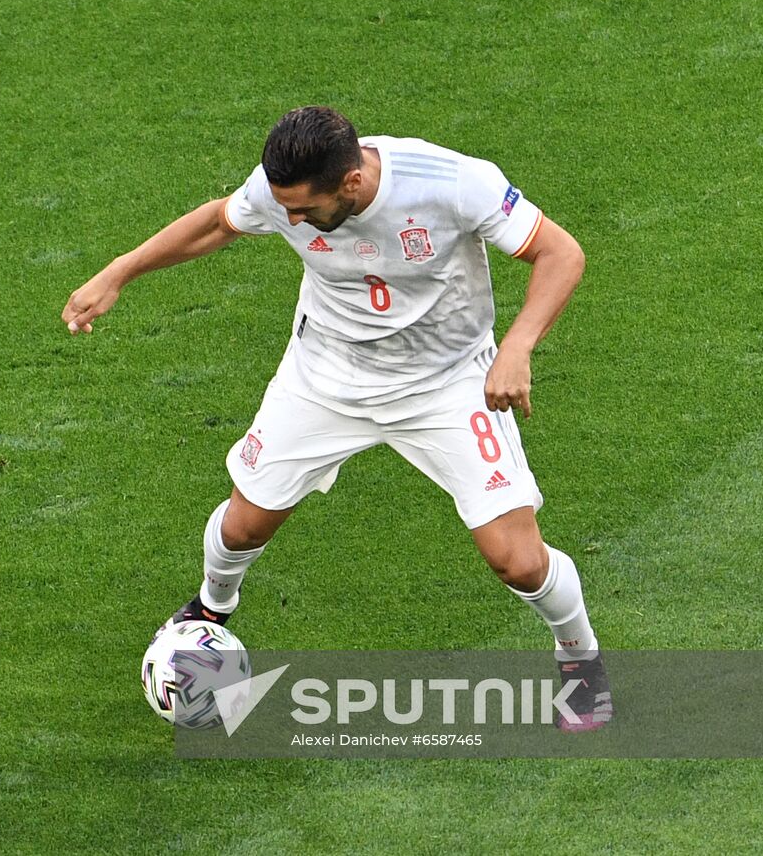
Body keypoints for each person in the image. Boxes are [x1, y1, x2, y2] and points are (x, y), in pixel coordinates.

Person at [63, 106, 610, 730]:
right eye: (284, 208)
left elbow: (560, 252)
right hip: (325, 375)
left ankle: (580, 657)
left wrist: (517, 347)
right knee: (242, 528)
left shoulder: (453, 182)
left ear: (351, 182)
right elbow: (217, 222)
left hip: (447, 381)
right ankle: (209, 609)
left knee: (519, 560)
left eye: (304, 210)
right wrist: (119, 272)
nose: (291, 221)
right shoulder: (281, 192)